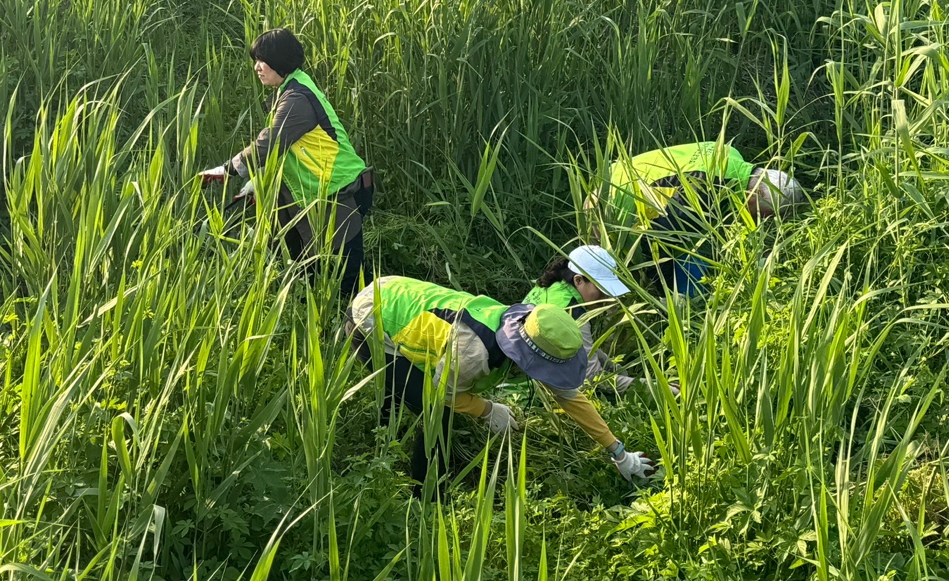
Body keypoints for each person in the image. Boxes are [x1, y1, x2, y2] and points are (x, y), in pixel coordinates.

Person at [346, 275, 656, 487]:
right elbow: (444, 395)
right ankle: (425, 500)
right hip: (373, 318)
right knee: (435, 417)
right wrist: (486, 410)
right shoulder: (473, 355)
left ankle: (387, 435)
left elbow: (569, 397)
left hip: (401, 297)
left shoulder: (529, 328)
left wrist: (618, 452)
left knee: (409, 391)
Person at [201, 29, 372, 298]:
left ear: (280, 61)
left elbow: (269, 143)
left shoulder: (297, 98)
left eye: (262, 60)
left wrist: (227, 170)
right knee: (313, 267)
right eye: (255, 60)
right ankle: (320, 314)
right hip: (320, 194)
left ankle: (370, 318)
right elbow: (286, 149)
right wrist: (257, 181)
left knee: (348, 278)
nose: (257, 67)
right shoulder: (291, 88)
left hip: (341, 191)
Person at [587, 142, 807, 293]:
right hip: (609, 203)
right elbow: (659, 241)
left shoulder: (731, 154)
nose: (760, 221)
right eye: (763, 215)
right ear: (756, 192)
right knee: (606, 287)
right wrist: (666, 295)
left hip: (616, 172)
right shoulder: (705, 191)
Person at [525, 244, 664, 394]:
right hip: (532, 385)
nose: (606, 297)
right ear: (578, 280)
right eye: (601, 289)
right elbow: (593, 378)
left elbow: (579, 348)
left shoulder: (553, 285)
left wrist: (612, 366)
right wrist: (659, 388)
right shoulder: (574, 314)